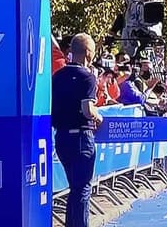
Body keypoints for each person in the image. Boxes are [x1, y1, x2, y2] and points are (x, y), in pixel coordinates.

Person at [52, 33, 103, 227]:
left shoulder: (57, 76)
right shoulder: (87, 77)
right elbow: (87, 109)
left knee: (75, 188)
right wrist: (99, 117)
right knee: (82, 189)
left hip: (62, 138)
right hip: (82, 137)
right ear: (88, 53)